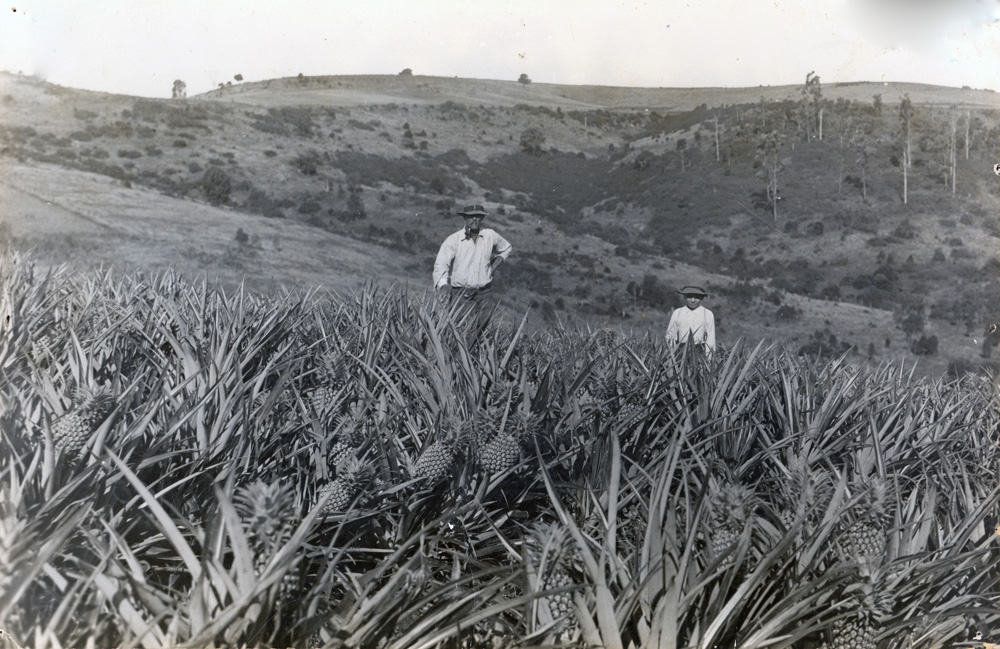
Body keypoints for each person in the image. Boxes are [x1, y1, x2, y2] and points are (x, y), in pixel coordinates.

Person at [433, 204, 512, 301]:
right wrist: (443, 285)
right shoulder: (454, 240)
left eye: (478, 216)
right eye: (470, 216)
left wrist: (494, 266)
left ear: (482, 218)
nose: (474, 219)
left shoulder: (490, 235)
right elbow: (441, 264)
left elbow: (506, 248)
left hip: (485, 294)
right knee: (459, 317)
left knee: (486, 317)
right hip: (461, 295)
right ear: (465, 218)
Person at [666, 286, 716, 357]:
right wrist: (671, 355)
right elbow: (670, 335)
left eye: (696, 297)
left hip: (699, 352)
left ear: (701, 298)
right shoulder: (677, 313)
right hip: (680, 352)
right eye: (689, 297)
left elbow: (710, 339)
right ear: (685, 297)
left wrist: (709, 358)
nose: (692, 300)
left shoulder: (707, 314)